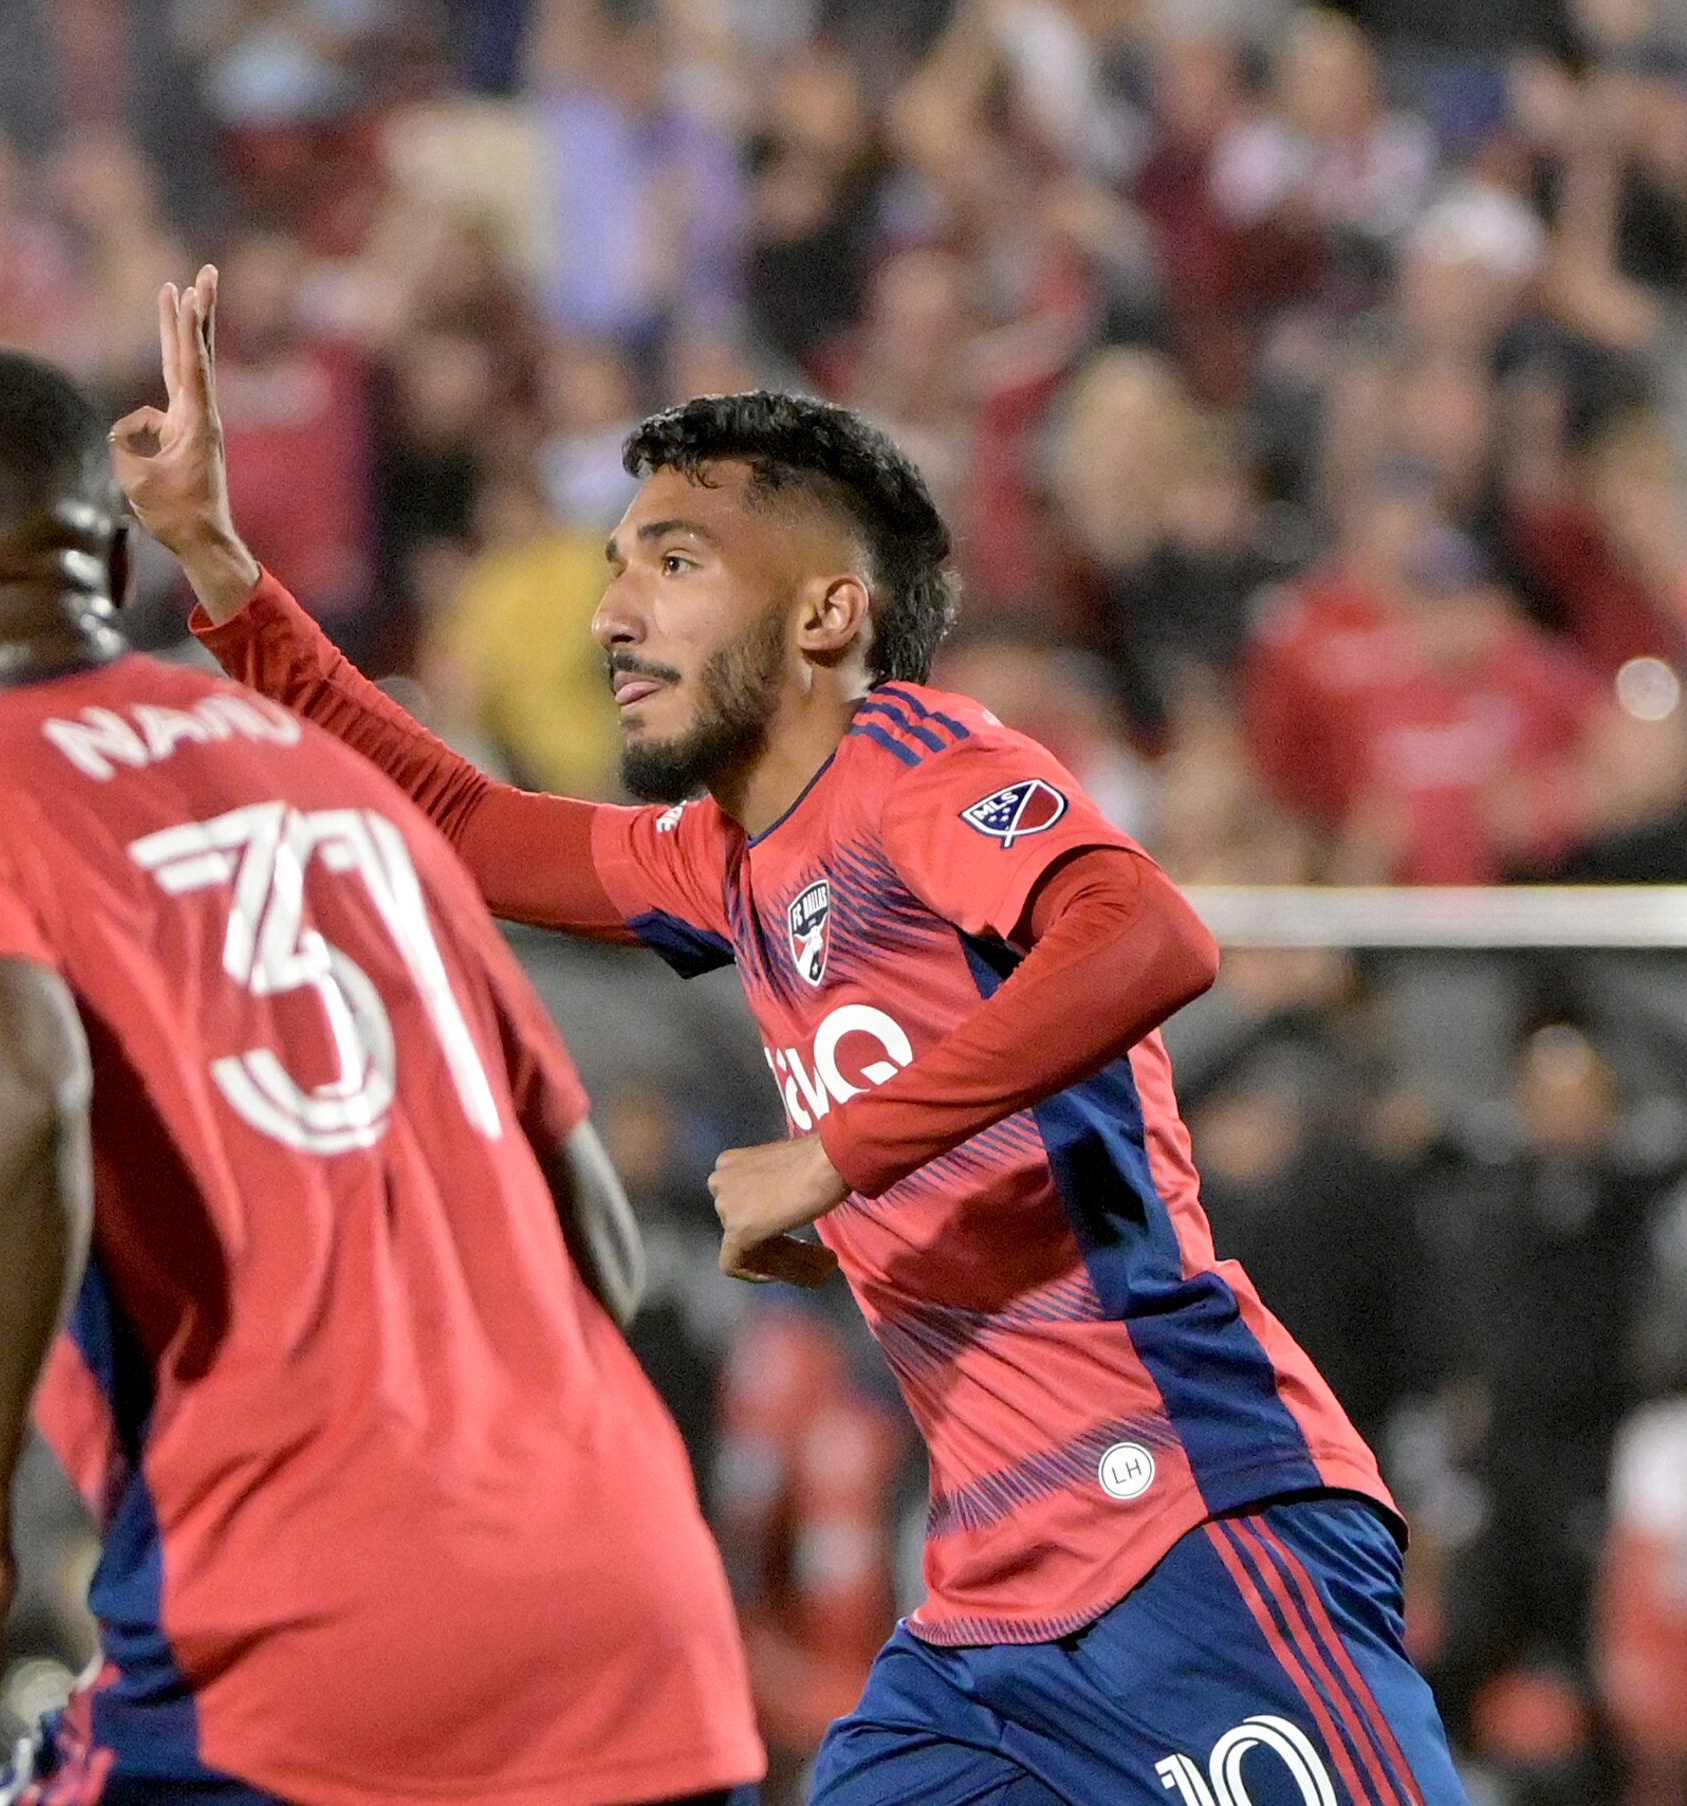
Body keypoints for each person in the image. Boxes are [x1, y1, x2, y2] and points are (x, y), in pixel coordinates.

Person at [120, 268, 1476, 1805]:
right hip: (988, 1617)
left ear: (830, 609)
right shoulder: (726, 855)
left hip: (1191, 1521)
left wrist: (831, 1159)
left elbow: (1148, 936)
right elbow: (457, 818)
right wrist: (219, 563)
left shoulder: (915, 760)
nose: (611, 612)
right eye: (620, 564)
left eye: (676, 562)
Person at [0, 343, 762, 1806]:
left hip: (295, 1654)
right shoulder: (337, 779)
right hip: (637, 1627)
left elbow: (11, 1091)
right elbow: (592, 1249)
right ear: (110, 554)